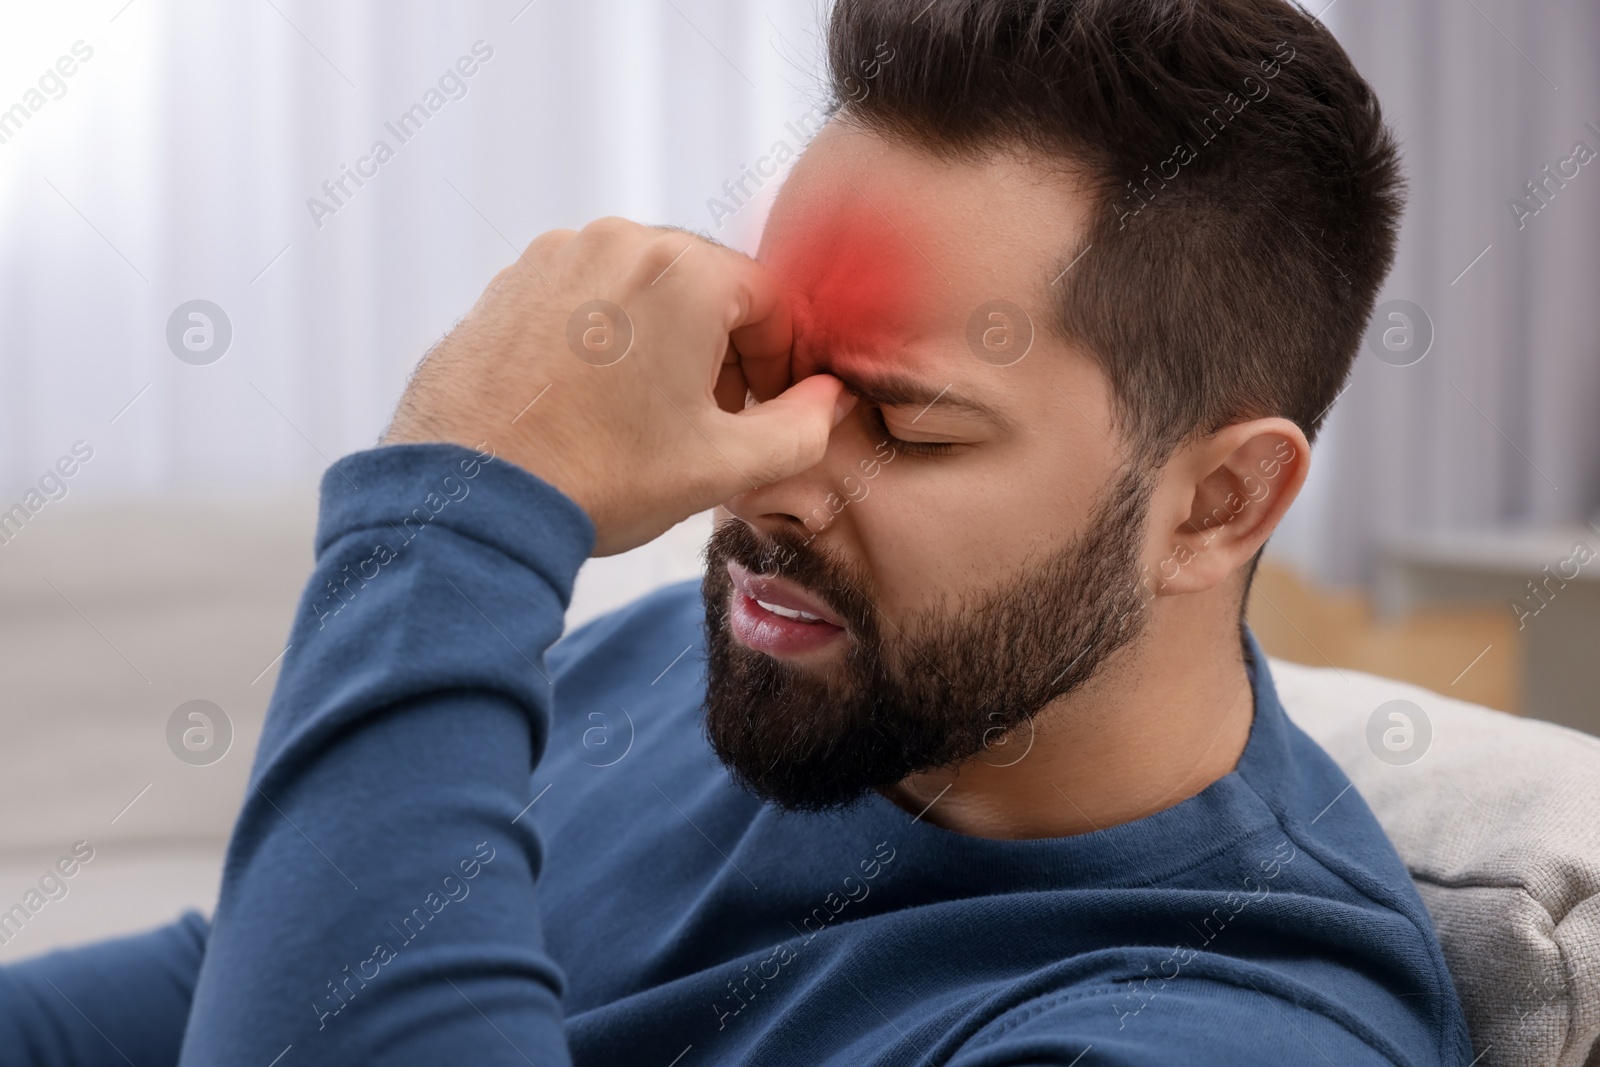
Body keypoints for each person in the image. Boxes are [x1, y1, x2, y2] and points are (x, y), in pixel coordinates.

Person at [0, 0, 1473, 1063]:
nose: (761, 480)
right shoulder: (681, 673)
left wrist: (455, 505)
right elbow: (233, 980)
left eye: (902, 426)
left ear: (1221, 504)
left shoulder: (1225, 1024)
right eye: (773, 376)